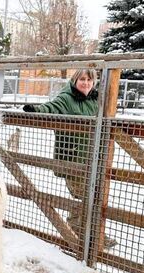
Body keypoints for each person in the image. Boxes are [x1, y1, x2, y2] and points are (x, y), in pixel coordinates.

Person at [23, 69, 117, 250]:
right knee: (83, 197)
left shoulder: (95, 100)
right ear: (75, 81)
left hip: (92, 159)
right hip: (73, 158)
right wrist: (36, 110)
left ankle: (89, 235)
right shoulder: (66, 98)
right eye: (82, 79)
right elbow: (51, 107)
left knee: (94, 197)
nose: (86, 83)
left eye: (90, 80)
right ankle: (78, 236)